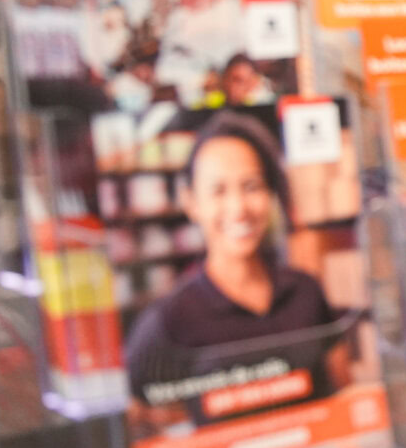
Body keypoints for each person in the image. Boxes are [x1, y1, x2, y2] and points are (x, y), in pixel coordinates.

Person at [125, 112, 350, 423]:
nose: (238, 208)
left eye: (251, 186)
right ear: (192, 203)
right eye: (218, 191)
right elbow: (140, 424)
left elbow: (341, 390)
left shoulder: (305, 291)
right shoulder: (168, 321)